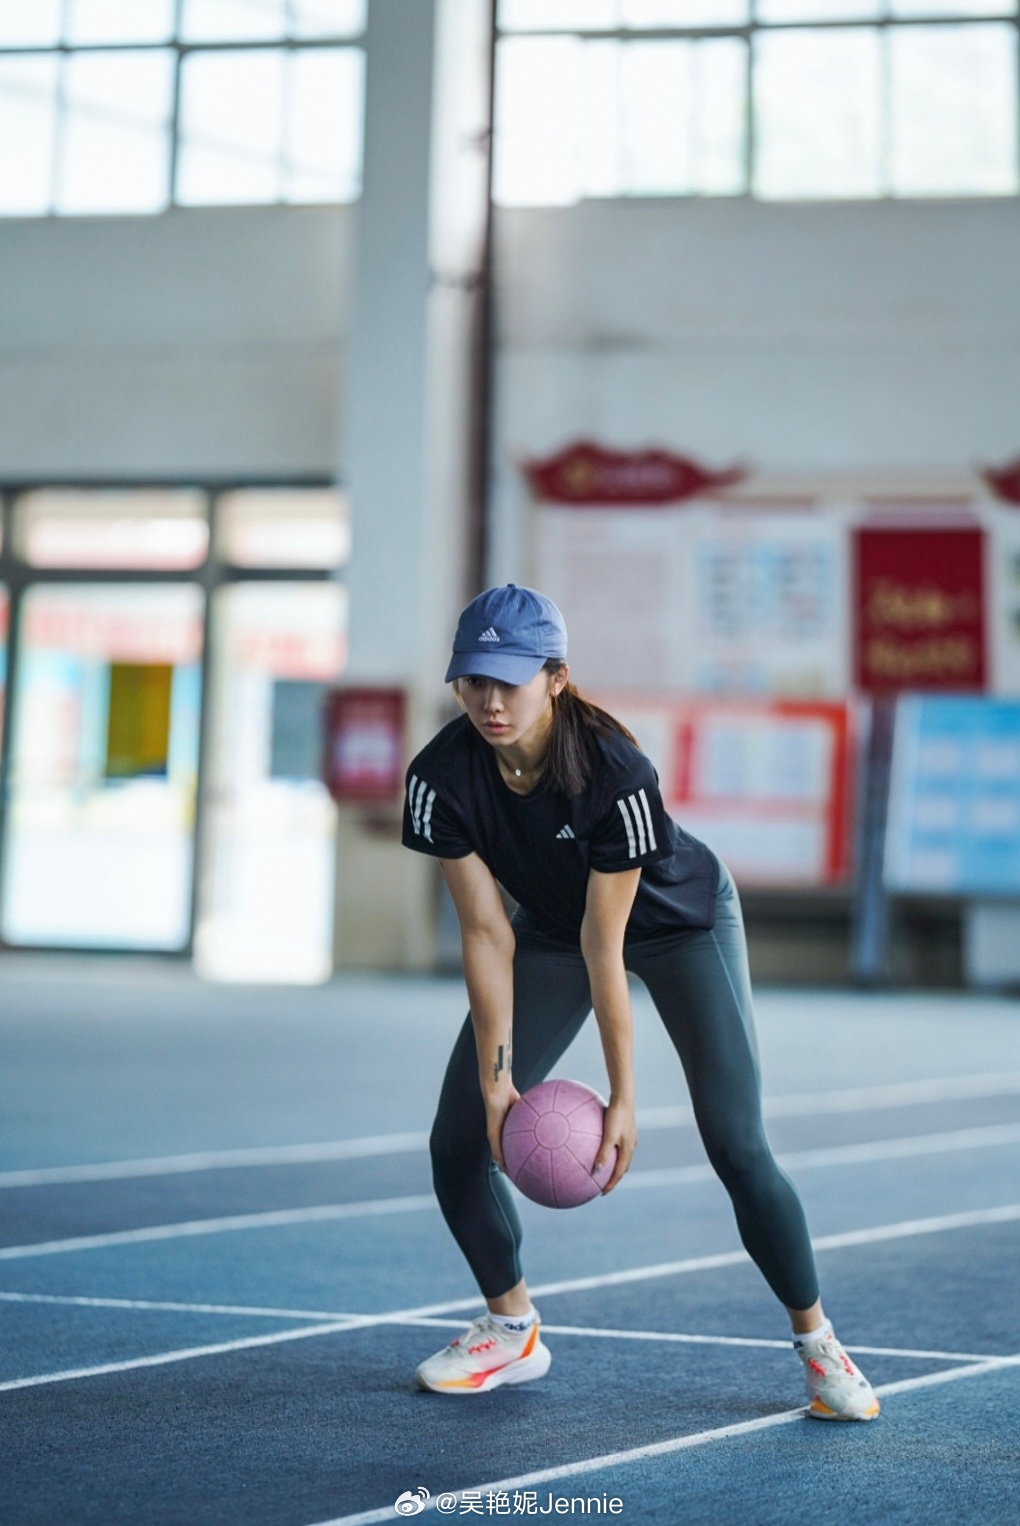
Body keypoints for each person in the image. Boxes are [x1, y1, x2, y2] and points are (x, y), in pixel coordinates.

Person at [401, 583, 879, 1420]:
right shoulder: (440, 779)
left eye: (507, 680)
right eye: (472, 680)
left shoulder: (613, 771)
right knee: (456, 1140)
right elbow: (486, 934)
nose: (487, 700)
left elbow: (607, 946)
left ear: (555, 677)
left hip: (679, 924)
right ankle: (510, 1329)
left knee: (736, 1144)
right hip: (548, 930)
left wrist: (624, 1098)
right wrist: (496, 1078)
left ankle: (818, 1344)